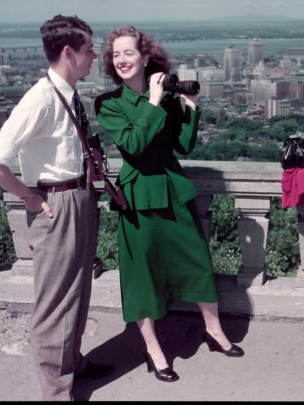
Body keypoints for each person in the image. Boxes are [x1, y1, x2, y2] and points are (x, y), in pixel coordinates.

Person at [95, 26, 244, 383]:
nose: (122, 60)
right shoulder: (108, 104)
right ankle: (153, 348)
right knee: (141, 276)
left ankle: (214, 330)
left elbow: (183, 147)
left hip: (173, 191)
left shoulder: (165, 96)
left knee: (197, 262)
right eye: (116, 55)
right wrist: (153, 101)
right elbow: (134, 145)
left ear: (146, 58)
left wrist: (190, 109)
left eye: (129, 53)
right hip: (137, 198)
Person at [0, 14, 114, 401]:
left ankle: (72, 363)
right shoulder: (40, 99)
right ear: (68, 52)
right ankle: (56, 392)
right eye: (89, 50)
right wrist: (29, 196)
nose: (95, 56)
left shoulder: (68, 94)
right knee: (55, 300)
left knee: (78, 291)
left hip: (79, 197)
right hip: (57, 203)